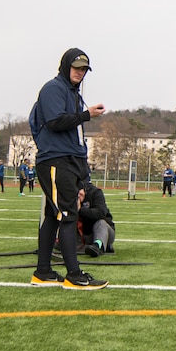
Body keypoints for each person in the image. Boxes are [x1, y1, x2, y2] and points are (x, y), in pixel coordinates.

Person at [29, 48, 107, 289]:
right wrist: (86, 115)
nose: (80, 73)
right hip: (56, 160)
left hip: (68, 161)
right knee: (67, 215)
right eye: (77, 68)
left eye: (84, 69)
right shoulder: (54, 88)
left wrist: (83, 179)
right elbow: (54, 122)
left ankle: (43, 272)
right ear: (65, 66)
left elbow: (77, 137)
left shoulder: (72, 93)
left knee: (54, 216)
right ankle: (73, 275)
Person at [77, 182, 116, 255]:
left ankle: (98, 245)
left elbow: (100, 213)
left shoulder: (95, 193)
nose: (78, 195)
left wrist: (80, 210)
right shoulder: (69, 196)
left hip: (105, 231)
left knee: (101, 222)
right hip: (85, 235)